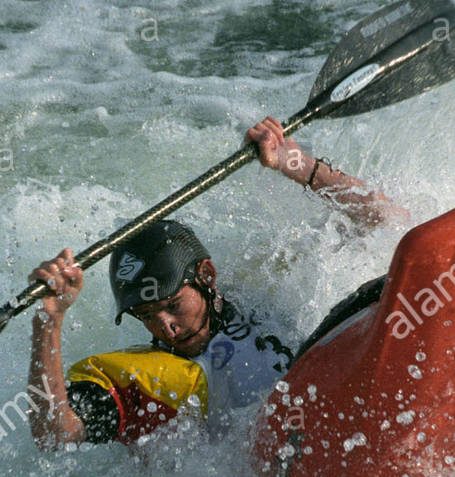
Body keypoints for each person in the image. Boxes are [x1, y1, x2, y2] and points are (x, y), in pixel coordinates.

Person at [27, 117, 405, 449]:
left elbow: (388, 224)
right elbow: (56, 434)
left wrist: (295, 163)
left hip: (339, 410)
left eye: (172, 305)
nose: (167, 328)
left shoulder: (264, 285)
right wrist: (50, 323)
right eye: (146, 315)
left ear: (206, 275)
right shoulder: (153, 383)